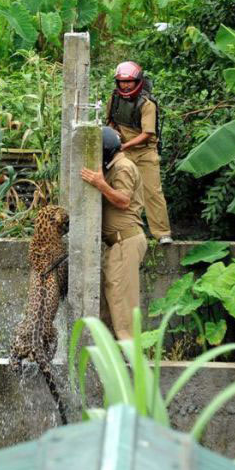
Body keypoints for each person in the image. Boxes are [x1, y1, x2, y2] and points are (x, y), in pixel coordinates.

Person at [80, 126, 147, 340]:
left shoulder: (123, 166)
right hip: (117, 244)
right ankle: (114, 362)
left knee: (122, 306)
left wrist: (101, 184)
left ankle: (132, 365)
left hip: (124, 242)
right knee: (110, 305)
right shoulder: (114, 166)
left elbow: (124, 200)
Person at [106, 61, 173, 245]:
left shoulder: (147, 104)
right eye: (121, 81)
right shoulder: (114, 98)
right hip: (122, 150)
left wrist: (124, 146)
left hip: (144, 152)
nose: (125, 85)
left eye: (129, 82)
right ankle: (126, 231)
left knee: (152, 192)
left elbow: (147, 134)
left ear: (138, 82)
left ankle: (162, 233)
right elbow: (110, 121)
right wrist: (114, 136)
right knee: (122, 191)